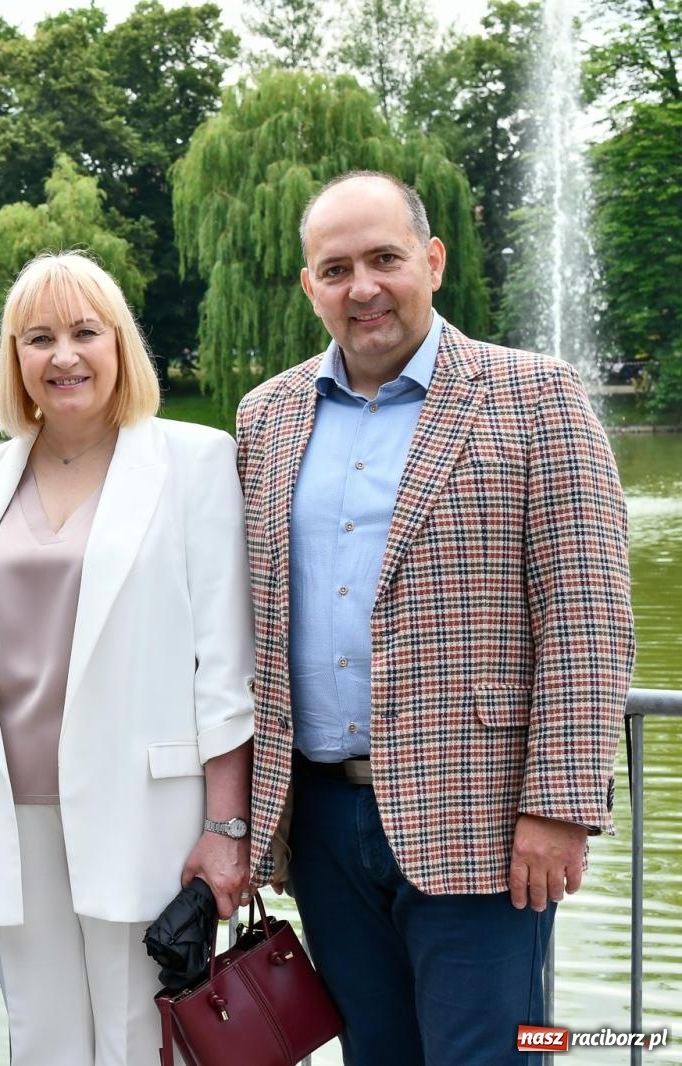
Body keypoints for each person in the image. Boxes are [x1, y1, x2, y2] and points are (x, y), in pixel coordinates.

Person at [238, 171, 635, 1066]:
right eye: (335, 268)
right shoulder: (265, 417)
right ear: (310, 285)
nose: (362, 287)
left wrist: (561, 807)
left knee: (487, 1057)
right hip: (324, 824)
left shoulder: (537, 398)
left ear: (433, 260)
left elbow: (588, 618)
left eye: (385, 258)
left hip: (488, 822)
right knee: (375, 1055)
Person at [0, 251, 256, 1065]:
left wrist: (225, 826)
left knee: (147, 1035)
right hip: (10, 813)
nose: (62, 356)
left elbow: (225, 666)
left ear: (120, 346)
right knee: (41, 1039)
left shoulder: (192, 462)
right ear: (15, 359)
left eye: (83, 333)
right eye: (38, 338)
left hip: (151, 810)